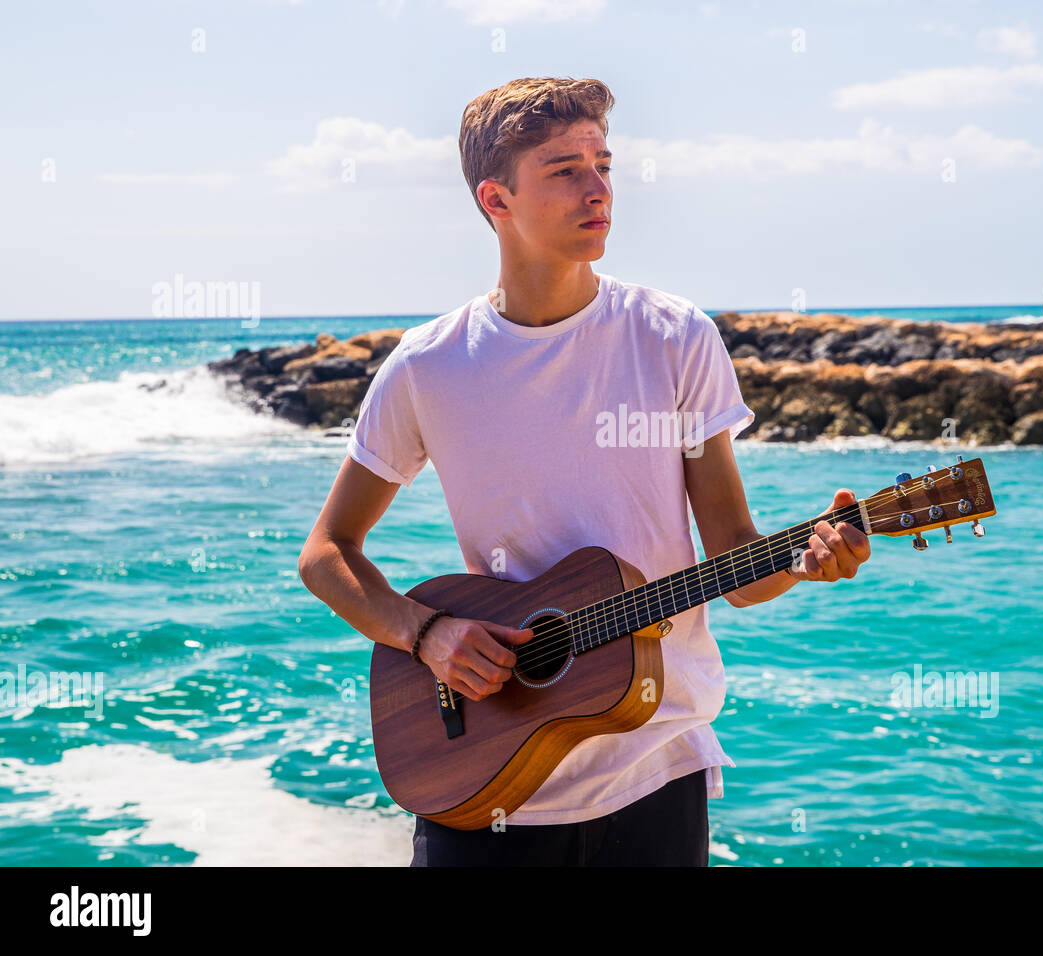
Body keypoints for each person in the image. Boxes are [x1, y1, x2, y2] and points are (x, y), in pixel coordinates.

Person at [297, 77, 871, 867]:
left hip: (655, 764)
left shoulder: (675, 339)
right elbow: (328, 553)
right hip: (483, 770)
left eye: (604, 163)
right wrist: (426, 634)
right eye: (565, 170)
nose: (598, 188)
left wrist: (806, 564)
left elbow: (738, 564)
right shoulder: (429, 368)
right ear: (496, 199)